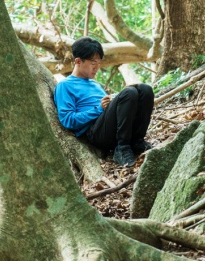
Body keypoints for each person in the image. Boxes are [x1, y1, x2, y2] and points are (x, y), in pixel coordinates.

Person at [53, 37, 154, 166]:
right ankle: (121, 148)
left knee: (145, 89)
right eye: (93, 63)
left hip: (113, 126)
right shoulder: (64, 86)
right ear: (78, 61)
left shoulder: (95, 84)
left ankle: (137, 142)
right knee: (129, 93)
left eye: (99, 63)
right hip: (97, 132)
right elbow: (68, 120)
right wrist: (99, 109)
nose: (97, 68)